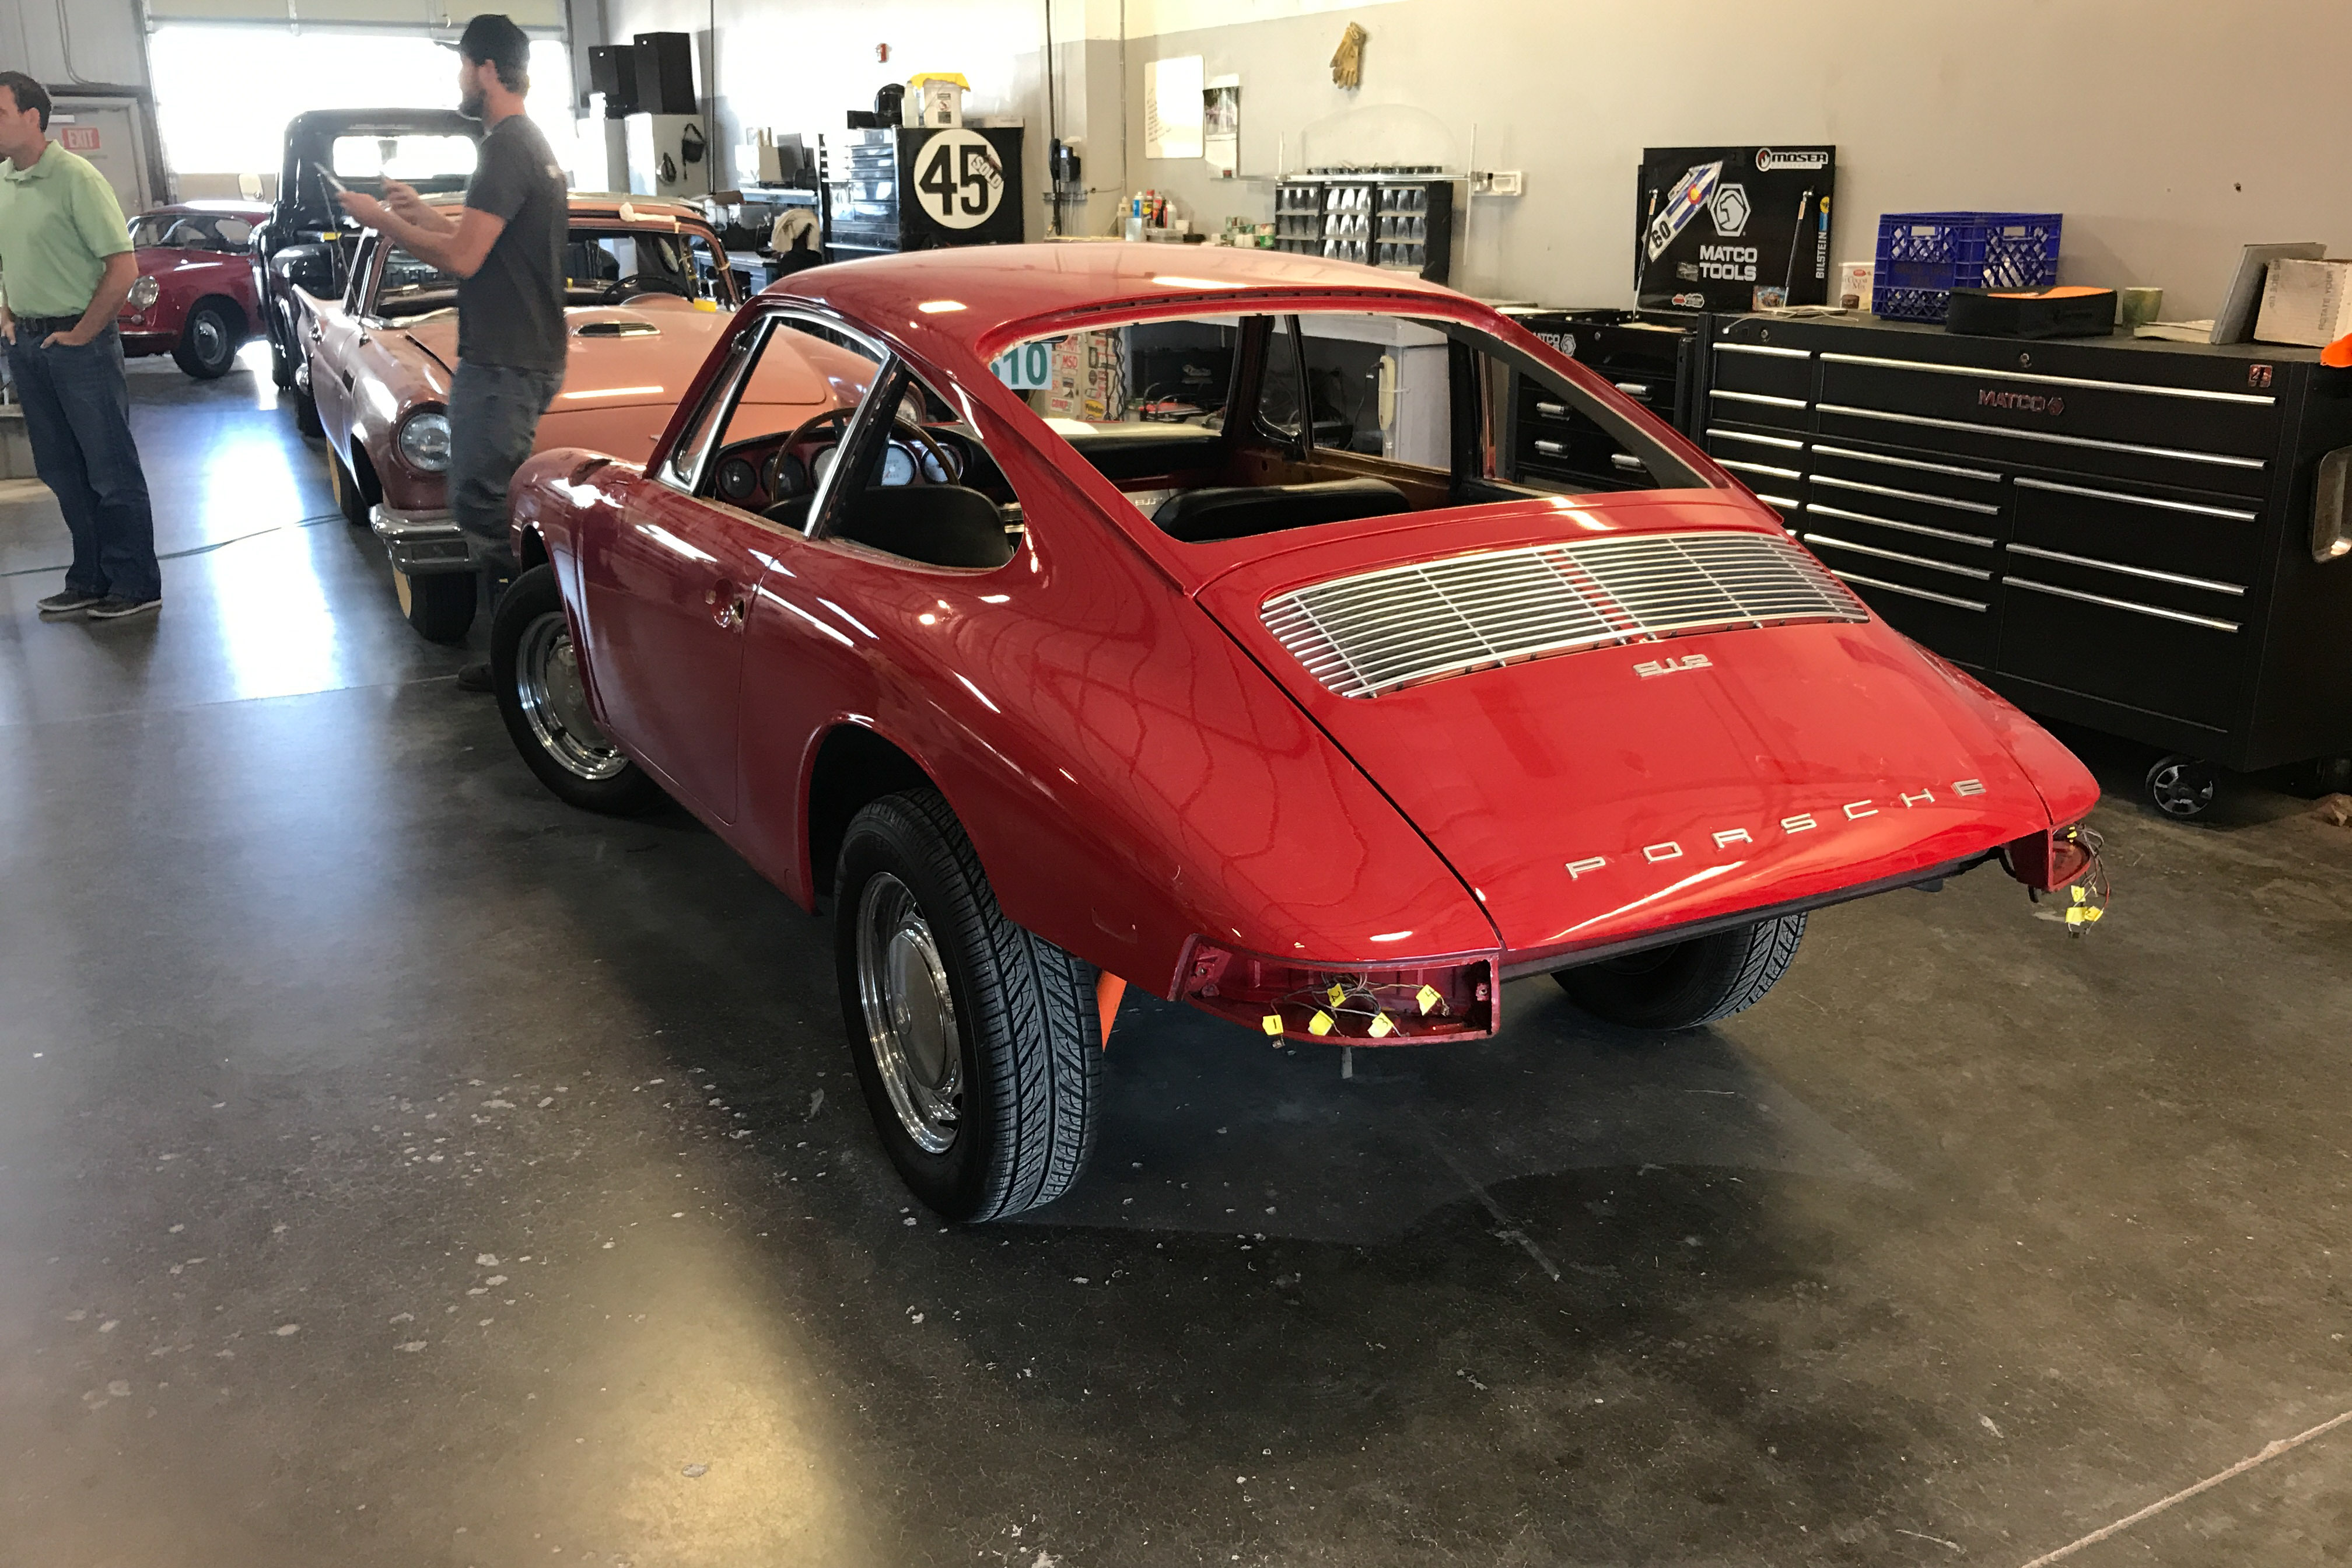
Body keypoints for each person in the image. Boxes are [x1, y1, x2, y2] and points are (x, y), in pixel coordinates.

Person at [334, 13, 566, 688]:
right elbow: (489, 245)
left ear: (485, 69)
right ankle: (523, 647)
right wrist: (418, 213)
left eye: (463, 66)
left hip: (505, 359)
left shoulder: (504, 149)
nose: (460, 79)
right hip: (522, 351)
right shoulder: (527, 144)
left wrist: (381, 221)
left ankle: (530, 651)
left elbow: (464, 259)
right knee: (488, 500)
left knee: (482, 506)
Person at [0, 71, 162, 621]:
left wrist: (83, 334)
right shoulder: (3, 182)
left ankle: (135, 583)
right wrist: (7, 310)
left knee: (109, 470)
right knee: (61, 470)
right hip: (27, 344)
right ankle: (90, 578)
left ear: (32, 118)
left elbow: (123, 268)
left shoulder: (76, 178)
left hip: (78, 344)